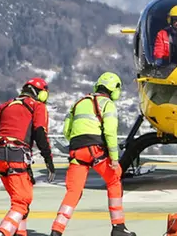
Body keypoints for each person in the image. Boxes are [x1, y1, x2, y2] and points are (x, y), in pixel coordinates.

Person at [50, 72, 136, 236]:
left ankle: (57, 229)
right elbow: (110, 132)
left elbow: (66, 132)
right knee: (114, 179)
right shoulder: (107, 104)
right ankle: (118, 227)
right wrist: (115, 159)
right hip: (95, 150)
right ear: (114, 88)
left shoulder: (78, 103)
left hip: (76, 151)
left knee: (73, 191)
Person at [0, 77, 55, 236]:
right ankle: (2, 232)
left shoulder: (4, 106)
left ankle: (20, 233)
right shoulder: (37, 106)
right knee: (22, 202)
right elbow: (40, 133)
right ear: (40, 93)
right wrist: (49, 161)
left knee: (20, 199)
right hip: (16, 156)